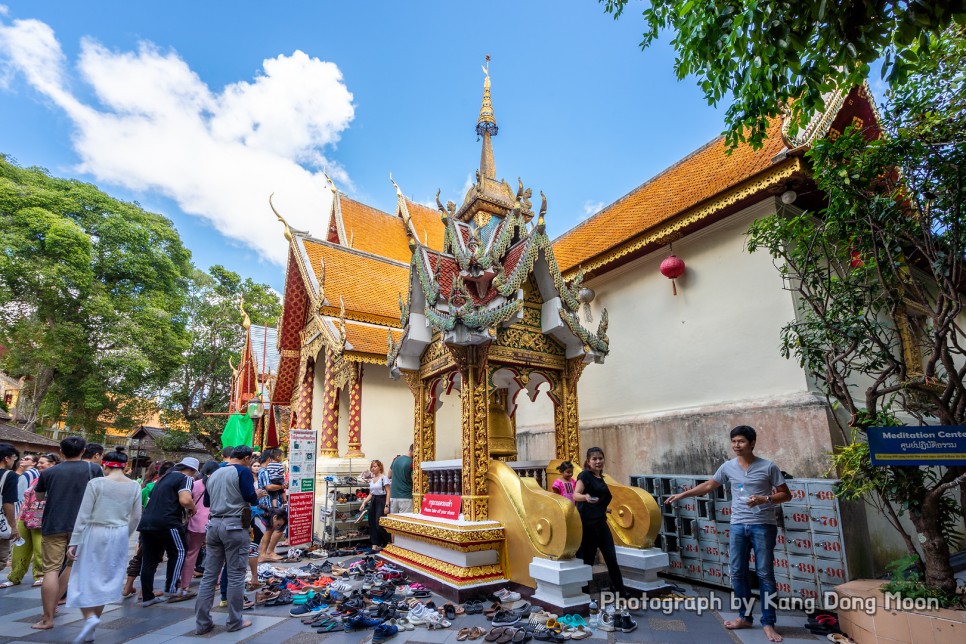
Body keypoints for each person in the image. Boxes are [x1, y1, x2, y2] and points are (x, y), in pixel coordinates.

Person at [665, 425, 791, 643]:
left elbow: (785, 495)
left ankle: (768, 622)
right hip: (738, 526)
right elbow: (708, 486)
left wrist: (765, 499)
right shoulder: (728, 467)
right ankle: (744, 617)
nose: (736, 445)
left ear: (752, 443)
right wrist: (683, 494)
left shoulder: (768, 467)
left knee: (765, 575)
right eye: (734, 441)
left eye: (741, 441)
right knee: (737, 572)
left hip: (763, 526)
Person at [66, 449, 142, 643]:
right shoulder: (134, 486)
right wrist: (125, 534)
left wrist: (74, 541)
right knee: (105, 578)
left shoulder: (96, 483)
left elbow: (83, 515)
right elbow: (136, 516)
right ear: (126, 466)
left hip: (94, 532)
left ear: (105, 464)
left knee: (83, 577)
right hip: (119, 534)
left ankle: (90, 618)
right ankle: (92, 627)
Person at [32, 436, 103, 631]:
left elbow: (39, 497)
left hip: (53, 523)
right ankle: (54, 605)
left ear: (61, 452)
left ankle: (47, 618)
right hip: (82, 526)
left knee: (51, 570)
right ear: (83, 451)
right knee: (72, 566)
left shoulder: (49, 472)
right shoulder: (94, 469)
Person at [194, 445, 261, 635]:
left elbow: (207, 502)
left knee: (209, 576)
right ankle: (234, 621)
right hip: (234, 525)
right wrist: (258, 494)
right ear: (247, 458)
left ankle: (202, 623)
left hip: (214, 525)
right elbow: (250, 497)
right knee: (236, 575)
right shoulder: (242, 472)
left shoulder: (214, 473)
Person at [137, 457, 198, 606]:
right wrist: (193, 507)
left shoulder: (162, 479)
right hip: (168, 521)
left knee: (149, 559)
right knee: (179, 552)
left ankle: (147, 596)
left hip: (147, 522)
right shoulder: (185, 478)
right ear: (192, 470)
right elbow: (185, 500)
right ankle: (172, 590)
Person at [572, 447, 626, 599]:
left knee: (611, 558)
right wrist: (586, 497)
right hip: (588, 525)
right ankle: (586, 594)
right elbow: (576, 495)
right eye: (594, 459)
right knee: (587, 560)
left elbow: (599, 501)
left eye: (600, 458)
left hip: (601, 523)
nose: (598, 461)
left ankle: (621, 592)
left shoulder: (601, 478)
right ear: (588, 462)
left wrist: (604, 509)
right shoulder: (585, 475)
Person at [2, 453, 57, 588]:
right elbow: (25, 500)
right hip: (25, 517)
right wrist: (18, 517)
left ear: (53, 464)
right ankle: (15, 576)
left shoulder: (55, 479)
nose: (39, 465)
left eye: (43, 463)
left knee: (40, 549)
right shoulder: (36, 479)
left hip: (42, 518)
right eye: (38, 463)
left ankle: (40, 575)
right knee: (19, 548)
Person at [180, 461, 217, 594]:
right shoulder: (217, 485)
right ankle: (216, 582)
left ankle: (185, 584)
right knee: (216, 554)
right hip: (213, 521)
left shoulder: (195, 484)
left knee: (191, 554)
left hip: (196, 522)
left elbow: (187, 501)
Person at [359, 460, 390, 550]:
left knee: (379, 523)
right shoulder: (372, 480)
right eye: (372, 467)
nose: (373, 468)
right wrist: (364, 502)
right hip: (374, 500)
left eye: (375, 466)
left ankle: (386, 542)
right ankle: (374, 545)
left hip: (382, 500)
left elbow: (388, 491)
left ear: (380, 467)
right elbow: (371, 493)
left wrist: (387, 505)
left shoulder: (384, 478)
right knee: (372, 522)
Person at [0, 443, 20, 575]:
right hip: (1, 523)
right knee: (1, 559)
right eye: (14, 458)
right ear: (6, 458)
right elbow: (8, 503)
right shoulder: (9, 475)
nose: (14, 461)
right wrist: (13, 526)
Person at [388, 444, 414, 514]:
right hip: (406, 497)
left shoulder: (396, 459)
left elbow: (389, 475)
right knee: (405, 521)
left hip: (393, 496)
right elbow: (414, 480)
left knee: (394, 522)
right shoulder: (412, 462)